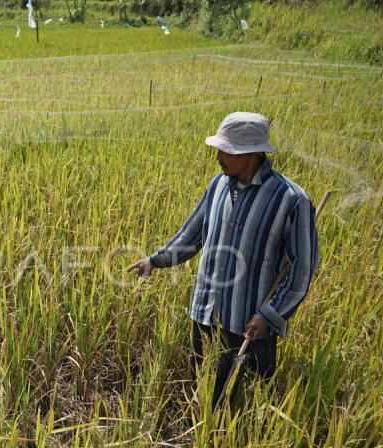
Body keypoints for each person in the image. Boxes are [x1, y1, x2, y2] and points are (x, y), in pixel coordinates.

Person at [128, 112, 319, 402]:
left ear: (251, 153)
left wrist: (270, 316)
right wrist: (155, 260)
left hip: (250, 328)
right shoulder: (217, 185)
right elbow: (191, 235)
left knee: (243, 405)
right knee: (201, 396)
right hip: (205, 314)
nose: (218, 156)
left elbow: (302, 270)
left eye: (226, 150)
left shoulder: (291, 199)